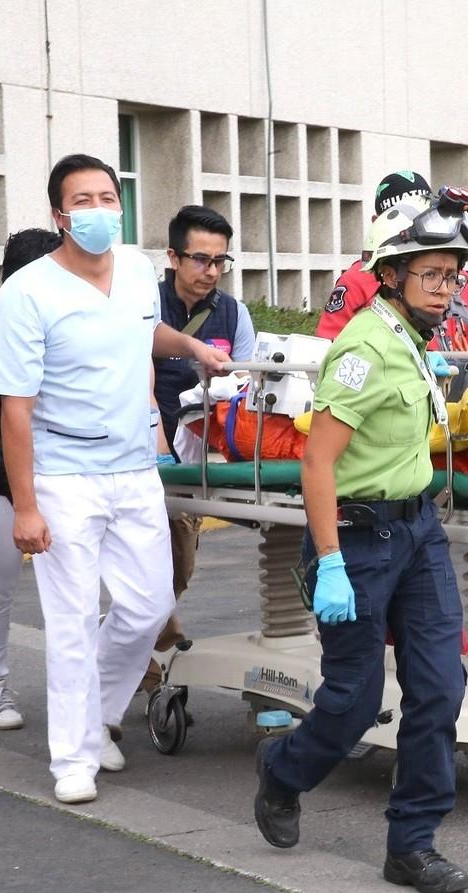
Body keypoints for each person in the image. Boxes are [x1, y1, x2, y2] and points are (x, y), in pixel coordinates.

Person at [0, 153, 229, 805]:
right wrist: (26, 506)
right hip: (64, 475)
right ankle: (76, 752)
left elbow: (144, 332)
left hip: (133, 471)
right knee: (69, 620)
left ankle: (93, 710)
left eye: (108, 196)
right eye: (84, 200)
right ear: (60, 216)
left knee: (149, 605)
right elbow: (15, 407)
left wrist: (195, 347)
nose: (99, 209)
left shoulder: (131, 272)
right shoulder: (28, 292)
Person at [253, 193, 468, 892]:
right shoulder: (363, 348)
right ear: (393, 273)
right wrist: (334, 566)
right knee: (354, 698)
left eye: (452, 275)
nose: (446, 289)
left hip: (417, 532)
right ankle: (283, 771)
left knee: (441, 686)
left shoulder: (412, 340)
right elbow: (317, 463)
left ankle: (412, 843)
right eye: (432, 275)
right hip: (358, 538)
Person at [145, 204, 258, 689]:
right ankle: (148, 658)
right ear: (173, 257)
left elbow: (255, 387)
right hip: (139, 457)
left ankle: (137, 647)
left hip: (197, 466)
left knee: (178, 565)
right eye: (200, 259)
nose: (211, 271)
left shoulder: (233, 313)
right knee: (145, 567)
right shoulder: (144, 305)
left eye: (220, 261)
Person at [0, 228, 62, 730]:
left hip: (59, 482)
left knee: (77, 593)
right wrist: (27, 495)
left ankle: (87, 690)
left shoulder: (59, 325)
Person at [314, 170, 434, 341]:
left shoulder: (458, 275)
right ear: (376, 223)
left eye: (422, 217)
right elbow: (329, 344)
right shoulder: (358, 279)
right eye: (402, 220)